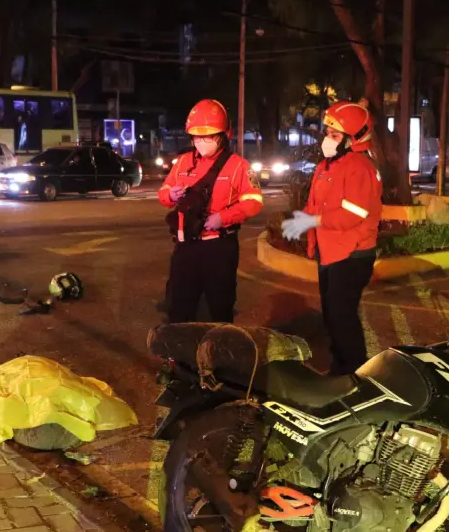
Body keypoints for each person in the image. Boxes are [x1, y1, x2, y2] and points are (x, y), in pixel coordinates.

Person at [281, 101, 383, 376]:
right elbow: (317, 205)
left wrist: (313, 221)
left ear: (355, 138)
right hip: (331, 252)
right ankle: (341, 369)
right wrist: (303, 223)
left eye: (335, 135)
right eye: (328, 132)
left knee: (342, 317)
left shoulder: (359, 167)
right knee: (332, 316)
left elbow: (353, 214)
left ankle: (354, 375)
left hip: (352, 254)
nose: (328, 139)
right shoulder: (327, 166)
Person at [158, 99, 263, 324]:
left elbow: (254, 202)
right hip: (186, 245)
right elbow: (163, 191)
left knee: (220, 306)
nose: (202, 141)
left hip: (219, 247)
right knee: (179, 304)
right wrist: (171, 195)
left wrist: (222, 217)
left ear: (223, 135)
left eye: (209, 136)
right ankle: (179, 356)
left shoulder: (238, 166)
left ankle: (219, 355)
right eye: (197, 136)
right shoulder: (184, 162)